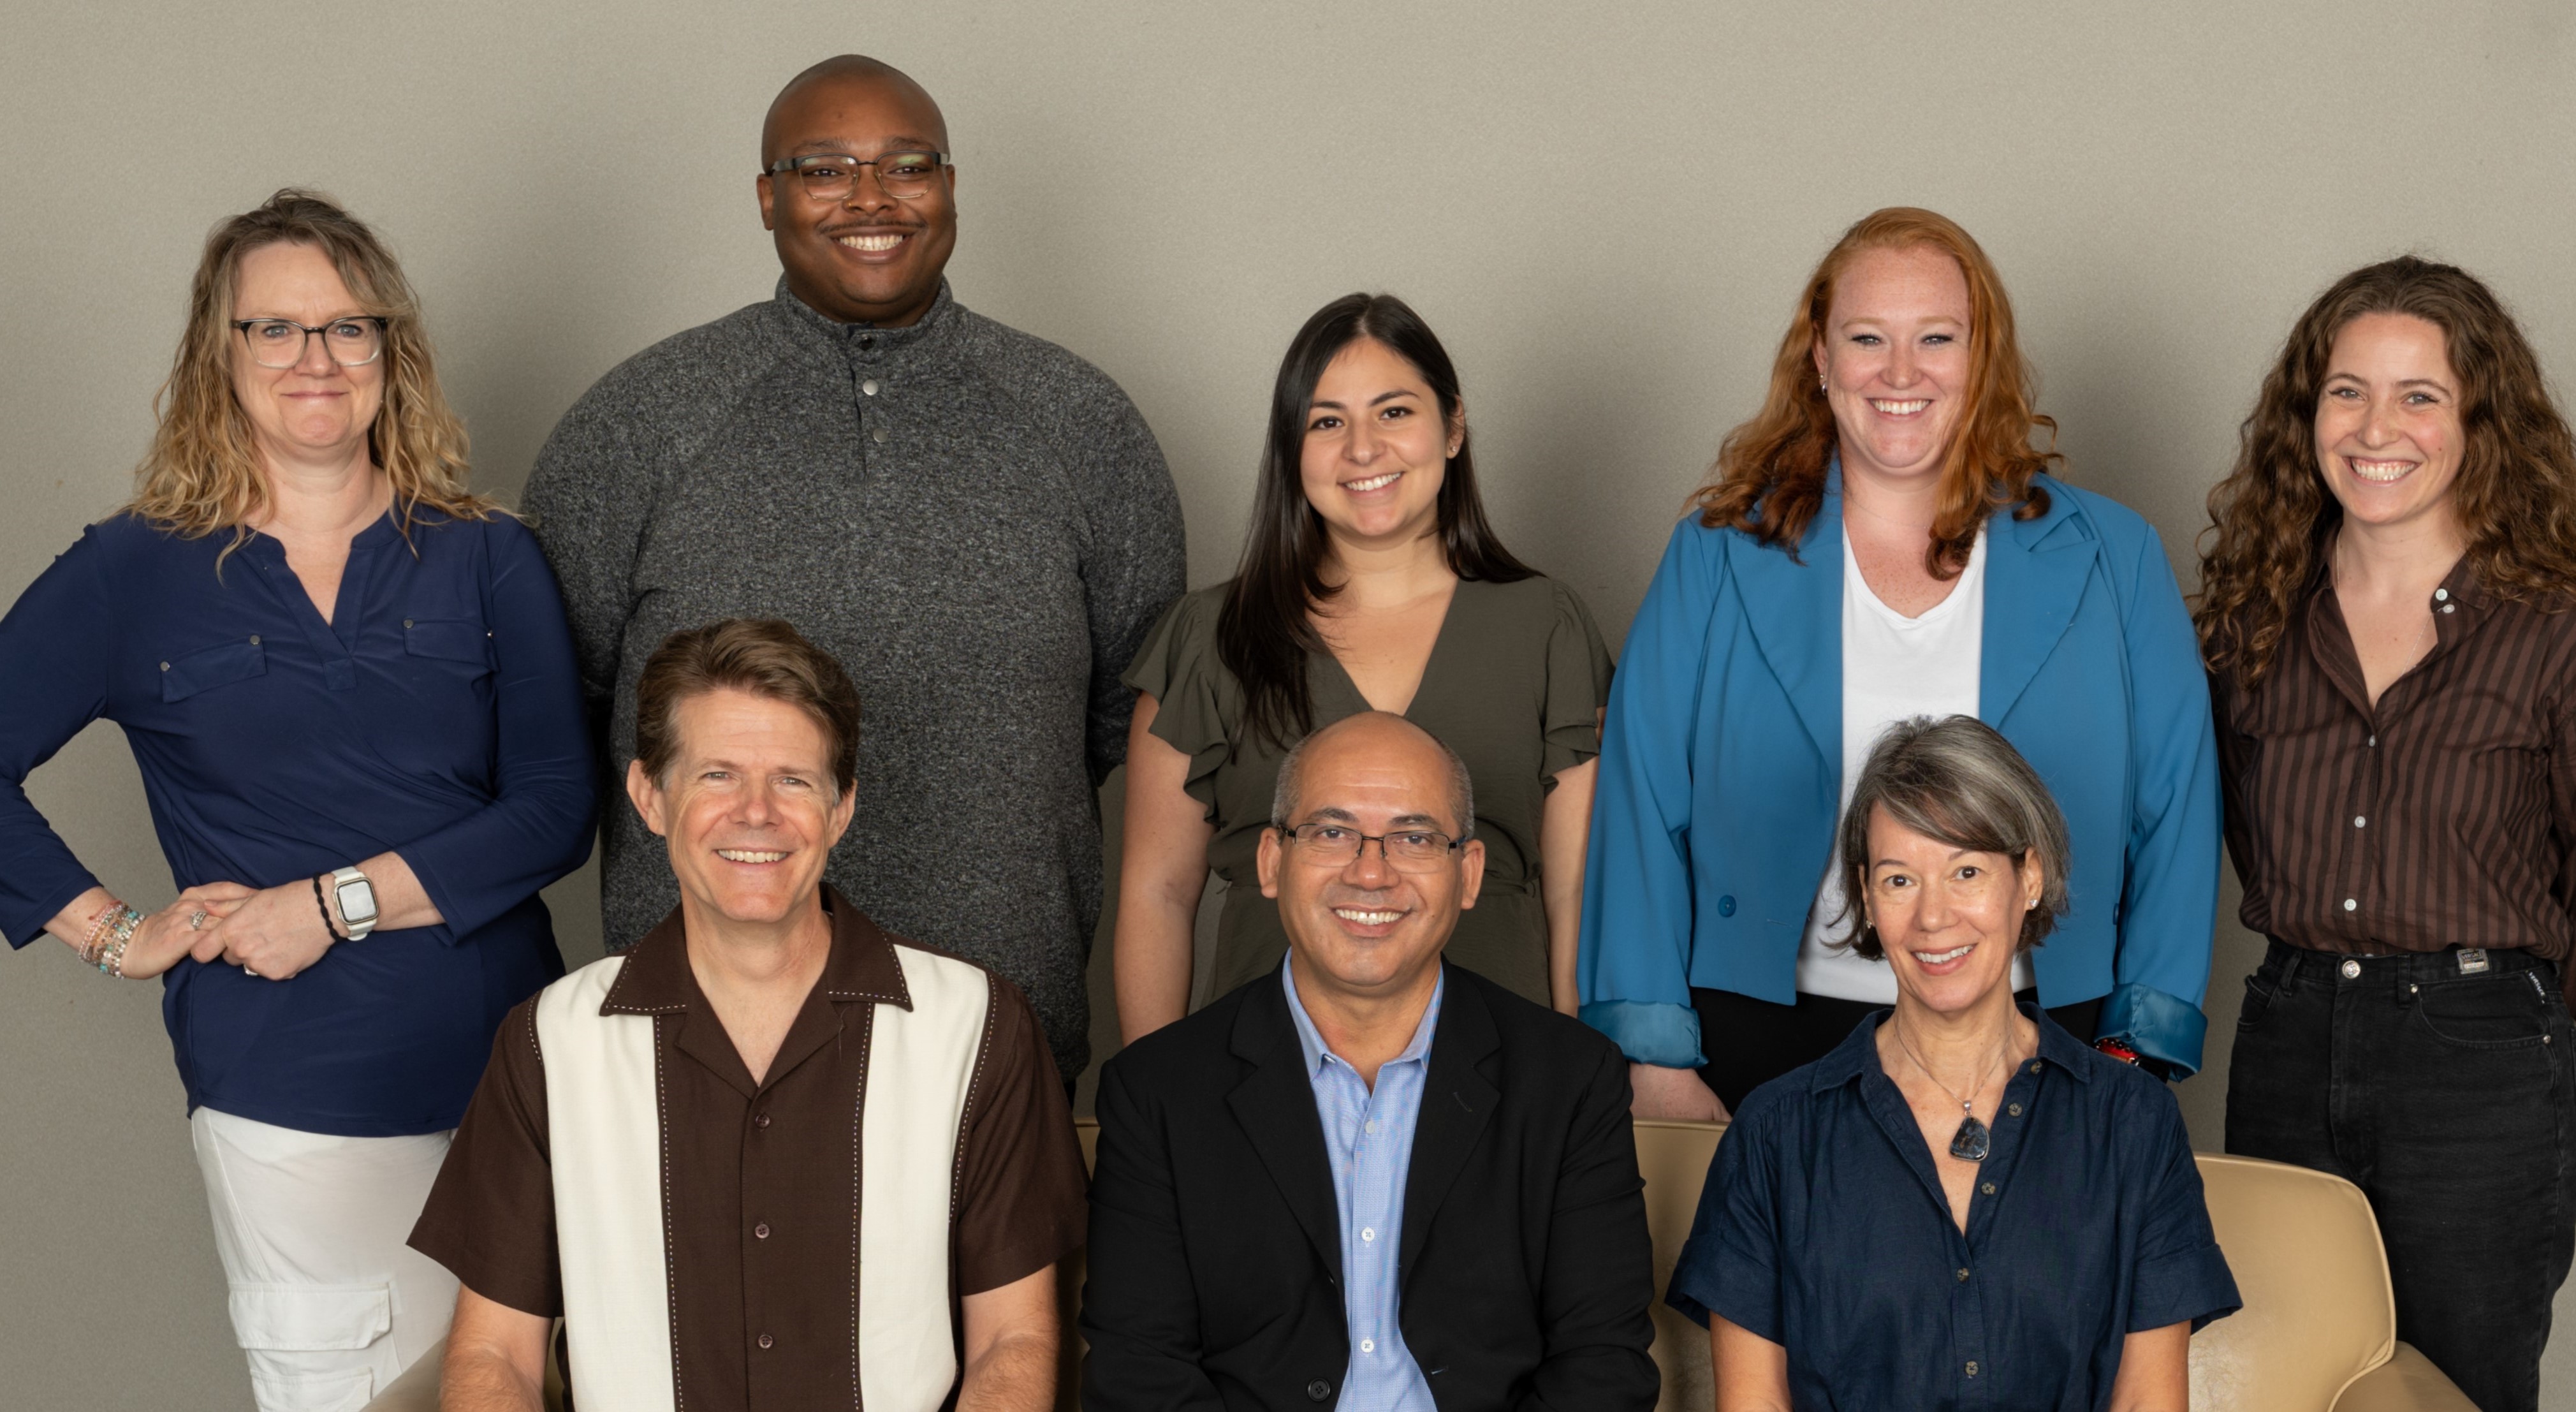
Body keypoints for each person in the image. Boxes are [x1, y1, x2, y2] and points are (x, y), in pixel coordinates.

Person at [0, 191, 595, 1409]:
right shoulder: (133, 570)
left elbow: (555, 807)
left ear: (392, 352)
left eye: (346, 328)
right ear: (218, 359)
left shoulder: (489, 553)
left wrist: (334, 903)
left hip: (521, 1075)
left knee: (551, 1388)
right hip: (293, 1090)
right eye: (273, 329)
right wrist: (114, 930)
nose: (314, 360)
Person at [522, 54, 1185, 1083]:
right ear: (767, 197)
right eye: (825, 170)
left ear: (950, 186)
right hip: (700, 1044)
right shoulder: (639, 421)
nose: (871, 199)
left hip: (999, 1032)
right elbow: (566, 707)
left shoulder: (1080, 421)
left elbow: (1128, 724)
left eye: (907, 166)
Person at [1579, 207, 2220, 1122]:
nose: (1902, 373)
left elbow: (2179, 811)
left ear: (1981, 355)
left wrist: (2134, 1049)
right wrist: (1654, 1057)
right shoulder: (1716, 555)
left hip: (2046, 1033)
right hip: (1762, 1040)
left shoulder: (2114, 557)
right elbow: (1639, 804)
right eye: (1868, 337)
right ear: (1821, 357)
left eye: (1937, 338)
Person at [411, 618, 1085, 1412]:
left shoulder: (975, 1026)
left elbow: (1016, 1342)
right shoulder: (549, 1042)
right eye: (718, 776)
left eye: (794, 780)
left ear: (841, 810)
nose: (756, 813)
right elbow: (495, 1358)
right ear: (649, 797)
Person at [2195, 256, 2576, 1412]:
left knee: (2465, 1377)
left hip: (2485, 1052)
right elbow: (2249, 844)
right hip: (2290, 1032)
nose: (2378, 427)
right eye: (2347, 391)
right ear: (2307, 414)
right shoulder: (2250, 624)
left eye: (2421, 395)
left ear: (2480, 422)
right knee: (2287, 1372)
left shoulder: (2551, 630)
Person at [1084, 710, 1658, 1410]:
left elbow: (1600, 1368)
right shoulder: (1157, 1091)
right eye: (1331, 832)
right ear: (1271, 861)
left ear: (1468, 874)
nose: (1370, 872)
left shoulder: (1570, 1080)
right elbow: (1139, 1375)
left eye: (1414, 838)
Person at [1671, 715, 2237, 1409]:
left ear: (2028, 877)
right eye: (1899, 880)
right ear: (1866, 897)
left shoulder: (2132, 1124)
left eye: (1965, 871)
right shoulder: (1774, 1135)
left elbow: (2148, 1404)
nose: (1932, 917)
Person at [1116, 293, 1613, 1036]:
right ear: (1292, 450)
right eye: (1326, 422)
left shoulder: (1548, 626)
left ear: (1452, 427)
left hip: (1501, 1073)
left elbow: (1577, 890)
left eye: (1393, 412)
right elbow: (1157, 892)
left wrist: (1583, 1083)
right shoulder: (1207, 636)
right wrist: (1150, 1108)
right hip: (1257, 1080)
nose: (1361, 448)